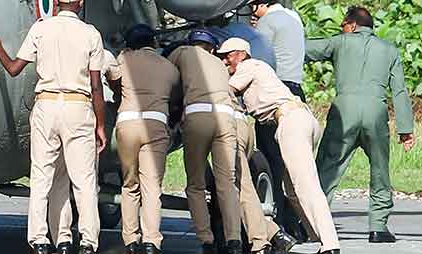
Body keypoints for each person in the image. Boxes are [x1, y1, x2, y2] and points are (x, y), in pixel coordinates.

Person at [0, 0, 106, 254]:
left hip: (46, 105)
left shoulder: (40, 28)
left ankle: (41, 239)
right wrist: (100, 124)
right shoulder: (90, 34)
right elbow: (96, 86)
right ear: (80, 2)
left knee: (43, 176)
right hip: (78, 105)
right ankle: (87, 241)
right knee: (83, 180)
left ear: (58, 2)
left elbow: (14, 68)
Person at [218, 37, 339, 254]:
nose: (224, 61)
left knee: (307, 185)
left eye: (227, 56)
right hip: (297, 118)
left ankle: (330, 244)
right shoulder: (255, 67)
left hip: (290, 119)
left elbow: (225, 90)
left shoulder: (249, 66)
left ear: (242, 54)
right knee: (292, 189)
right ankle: (319, 237)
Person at [307, 6, 415, 244]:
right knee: (379, 169)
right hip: (376, 113)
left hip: (343, 111)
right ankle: (378, 228)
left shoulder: (340, 42)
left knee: (327, 167)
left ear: (352, 25)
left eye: (343, 25)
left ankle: (315, 225)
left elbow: (306, 49)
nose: (342, 30)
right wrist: (406, 129)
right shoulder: (389, 50)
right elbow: (399, 91)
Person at [168, 29, 242, 254]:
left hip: (198, 115)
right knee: (227, 182)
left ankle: (206, 239)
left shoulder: (183, 52)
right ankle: (233, 240)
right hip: (226, 118)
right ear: (212, 47)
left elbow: (166, 73)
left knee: (196, 184)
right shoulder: (220, 64)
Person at [108, 24, 179, 254]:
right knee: (152, 187)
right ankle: (151, 241)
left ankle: (130, 239)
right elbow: (175, 96)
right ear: (154, 43)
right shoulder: (169, 67)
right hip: (155, 124)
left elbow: (113, 80)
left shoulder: (124, 60)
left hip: (127, 123)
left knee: (130, 185)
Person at [49, 48, 119, 253]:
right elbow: (101, 88)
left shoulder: (58, 53)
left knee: (58, 181)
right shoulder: (102, 53)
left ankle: (61, 238)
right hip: (84, 115)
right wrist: (100, 125)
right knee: (86, 183)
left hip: (54, 112)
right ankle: (88, 240)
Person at [251, 0, 306, 235]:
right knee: (292, 164)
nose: (253, 14)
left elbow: (258, 57)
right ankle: (300, 225)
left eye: (254, 8)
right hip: (296, 91)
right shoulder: (294, 18)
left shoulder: (267, 23)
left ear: (262, 4)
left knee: (270, 160)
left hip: (276, 92)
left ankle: (278, 222)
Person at [234, 107, 296, 254]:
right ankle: (275, 234)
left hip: (225, 124)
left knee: (236, 187)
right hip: (242, 121)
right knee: (242, 185)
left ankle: (260, 241)